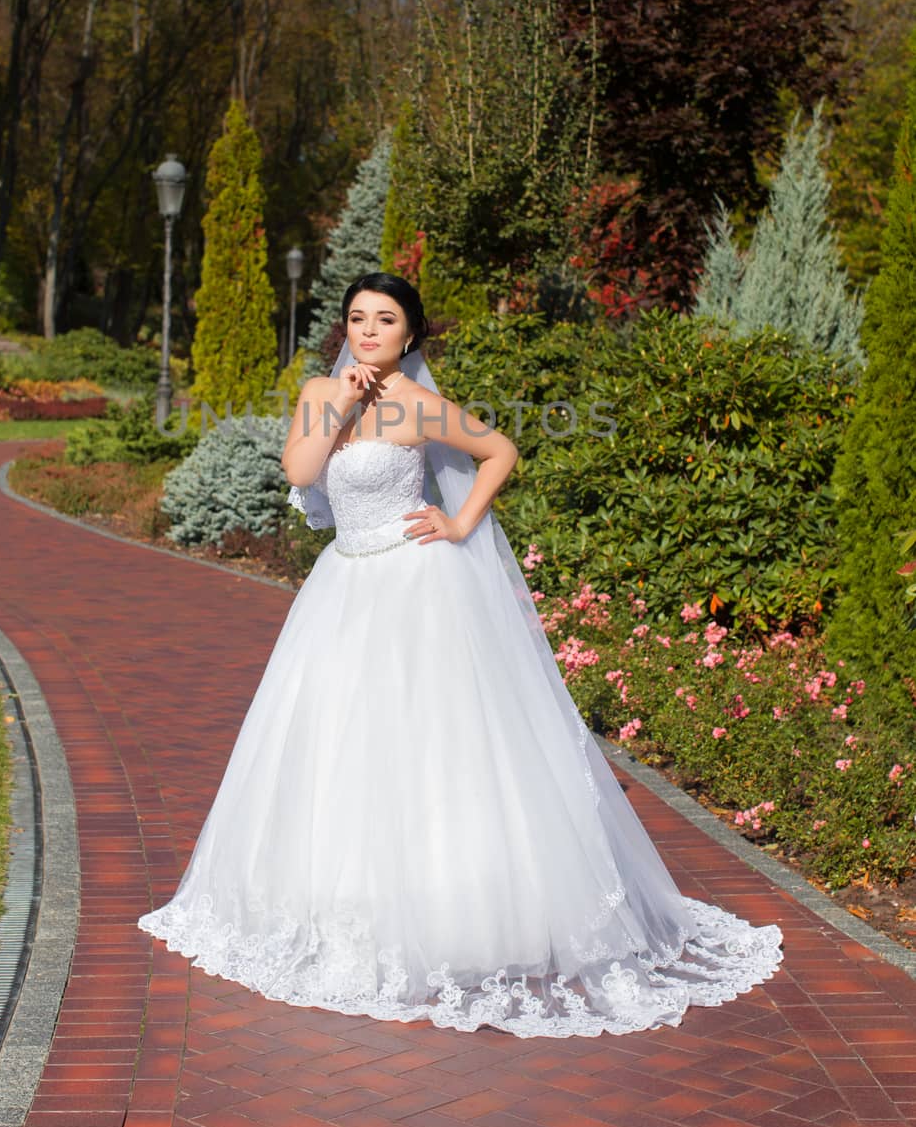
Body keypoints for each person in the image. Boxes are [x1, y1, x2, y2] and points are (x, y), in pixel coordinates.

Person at [138, 272, 783, 1039]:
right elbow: (301, 473)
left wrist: (458, 524)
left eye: (385, 320)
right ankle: (340, 909)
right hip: (343, 588)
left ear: (409, 335)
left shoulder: (417, 404)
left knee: (435, 749)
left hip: (418, 590)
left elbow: (498, 450)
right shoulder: (320, 391)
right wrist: (341, 401)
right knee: (338, 747)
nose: (369, 330)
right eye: (357, 318)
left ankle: (461, 918)